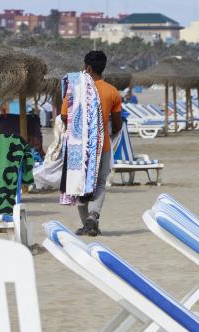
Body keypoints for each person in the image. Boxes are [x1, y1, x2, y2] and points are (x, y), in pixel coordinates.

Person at [61, 50, 122, 236]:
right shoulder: (112, 91)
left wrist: (79, 132)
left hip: (78, 147)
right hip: (101, 146)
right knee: (100, 183)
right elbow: (118, 123)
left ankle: (87, 222)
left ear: (87, 68)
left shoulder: (75, 89)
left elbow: (64, 116)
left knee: (78, 184)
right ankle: (92, 218)